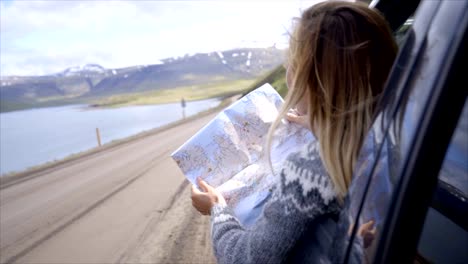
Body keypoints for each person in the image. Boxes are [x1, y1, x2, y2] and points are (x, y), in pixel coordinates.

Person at [191, 1, 398, 263]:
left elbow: (246, 257)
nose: (289, 76)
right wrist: (322, 123)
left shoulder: (307, 171)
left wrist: (217, 209)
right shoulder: (394, 137)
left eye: (294, 64)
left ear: (313, 80)